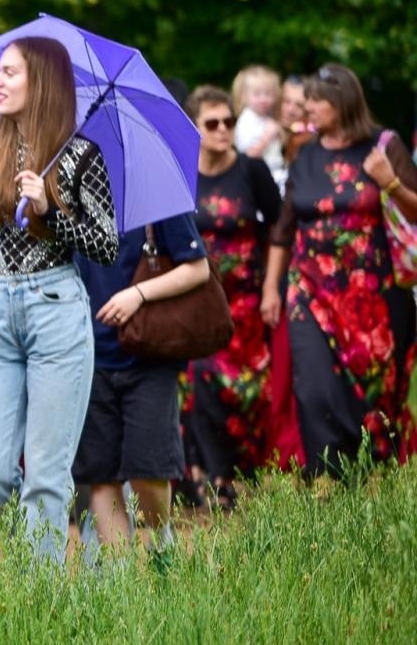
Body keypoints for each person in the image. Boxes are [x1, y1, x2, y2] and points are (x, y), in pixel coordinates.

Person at [0, 36, 119, 565]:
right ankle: (34, 556)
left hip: (56, 309)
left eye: (10, 72)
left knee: (46, 471)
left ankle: (39, 592)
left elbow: (105, 244)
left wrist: (49, 210)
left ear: (41, 82)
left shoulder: (81, 154)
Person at [261, 63, 417, 478]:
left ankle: (375, 471)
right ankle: (327, 478)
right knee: (312, 387)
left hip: (375, 293)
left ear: (342, 102)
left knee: (376, 391)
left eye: (317, 100)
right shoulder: (304, 152)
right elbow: (283, 228)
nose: (308, 107)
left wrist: (390, 184)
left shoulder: (383, 147)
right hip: (309, 289)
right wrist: (270, 291)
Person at [71, 200, 210, 563]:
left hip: (148, 353)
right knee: (102, 476)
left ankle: (162, 544)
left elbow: (198, 269)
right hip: (88, 353)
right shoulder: (66, 194)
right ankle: (119, 585)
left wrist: (138, 294)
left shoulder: (154, 194)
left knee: (148, 470)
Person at [182, 86, 281, 510]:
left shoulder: (251, 170)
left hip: (245, 298)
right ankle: (208, 477)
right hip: (196, 299)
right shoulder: (182, 171)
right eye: (212, 123)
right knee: (199, 383)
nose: (223, 129)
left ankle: (241, 473)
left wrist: (273, 287)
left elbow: (279, 229)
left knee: (246, 390)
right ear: (195, 128)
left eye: (229, 121)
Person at [233, 64, 286, 188]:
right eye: (257, 94)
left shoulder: (266, 117)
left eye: (268, 94)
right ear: (244, 97)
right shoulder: (247, 120)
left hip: (275, 172)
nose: (263, 99)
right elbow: (248, 155)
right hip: (258, 178)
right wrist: (267, 138)